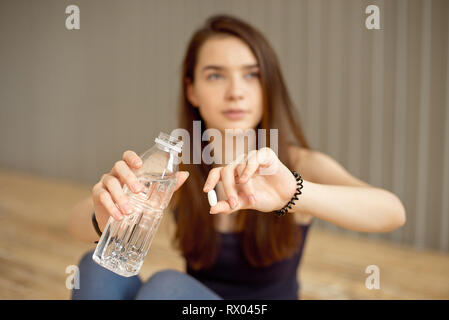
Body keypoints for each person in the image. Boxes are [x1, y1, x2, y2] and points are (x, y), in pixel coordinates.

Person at [66, 14, 406, 300]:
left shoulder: (298, 165)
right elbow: (74, 223)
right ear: (192, 90)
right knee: (98, 270)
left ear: (266, 87)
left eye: (251, 74)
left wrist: (294, 194)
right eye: (216, 75)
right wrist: (104, 213)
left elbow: (392, 212)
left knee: (166, 288)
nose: (235, 91)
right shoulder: (176, 168)